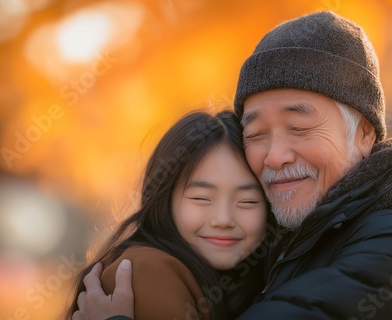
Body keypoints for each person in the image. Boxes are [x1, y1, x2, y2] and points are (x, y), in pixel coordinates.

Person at [75, 11, 392, 319]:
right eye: (255, 133)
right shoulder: (292, 235)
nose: (274, 156)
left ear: (365, 133)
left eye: (299, 127)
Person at [69, 110, 274, 320]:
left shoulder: (249, 282)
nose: (223, 219)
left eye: (247, 201)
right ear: (165, 199)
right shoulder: (147, 273)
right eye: (201, 198)